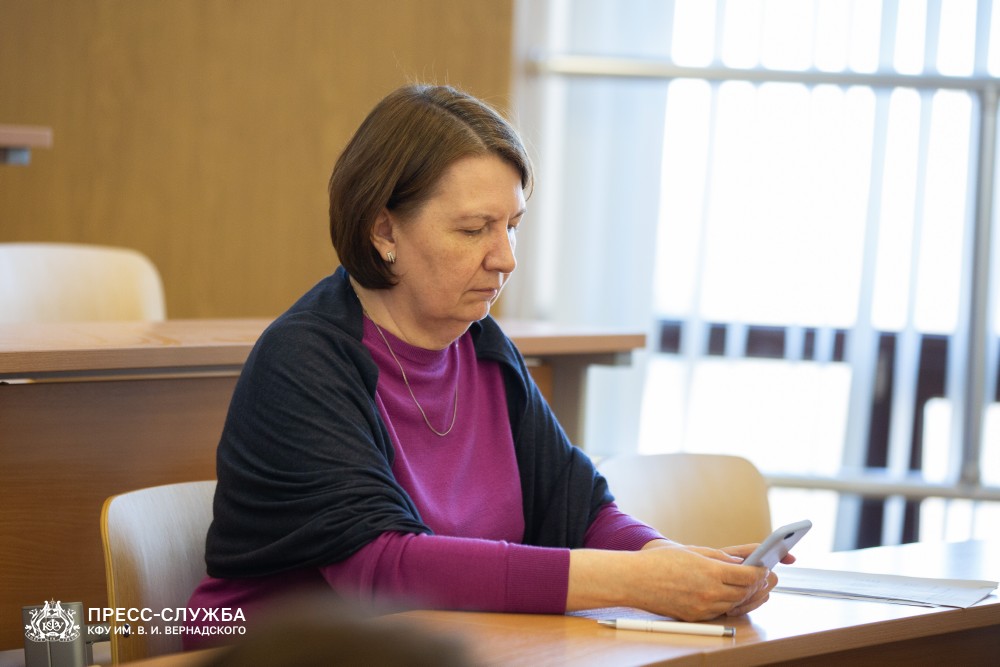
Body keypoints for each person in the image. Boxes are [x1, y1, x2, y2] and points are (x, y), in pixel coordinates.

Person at [183, 83, 785, 649]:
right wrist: (635, 581)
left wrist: (669, 561)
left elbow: (579, 509)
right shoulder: (304, 360)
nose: (505, 259)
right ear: (384, 230)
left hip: (447, 647)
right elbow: (384, 568)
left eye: (512, 227)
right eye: (475, 230)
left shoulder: (483, 346)